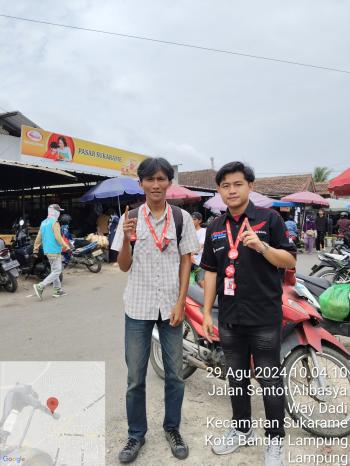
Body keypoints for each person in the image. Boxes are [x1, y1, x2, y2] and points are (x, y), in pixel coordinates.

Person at [200, 162, 296, 466]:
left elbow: (289, 260)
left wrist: (263, 247)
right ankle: (241, 429)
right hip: (229, 317)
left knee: (269, 379)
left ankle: (275, 441)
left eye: (237, 184)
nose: (231, 190)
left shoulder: (270, 220)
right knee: (237, 378)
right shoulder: (215, 226)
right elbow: (212, 274)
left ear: (250, 186)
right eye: (225, 185)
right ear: (219, 191)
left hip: (264, 317)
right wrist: (205, 314)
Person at [112, 157, 199, 464]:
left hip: (171, 307)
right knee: (135, 376)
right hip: (137, 306)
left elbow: (187, 260)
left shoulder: (181, 218)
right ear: (142, 184)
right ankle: (136, 435)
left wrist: (180, 302)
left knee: (175, 374)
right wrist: (125, 238)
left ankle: (172, 428)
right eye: (150, 179)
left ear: (169, 183)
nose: (156, 184)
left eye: (162, 179)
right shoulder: (130, 218)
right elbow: (123, 266)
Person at [33, 204, 70, 299]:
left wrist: (36, 248)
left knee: (54, 270)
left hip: (47, 251)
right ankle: (40, 286)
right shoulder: (55, 223)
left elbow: (39, 237)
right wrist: (66, 246)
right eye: (59, 211)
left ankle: (57, 290)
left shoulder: (44, 222)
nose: (59, 213)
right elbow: (58, 238)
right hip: (54, 250)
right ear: (55, 212)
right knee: (57, 270)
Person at [191, 212, 206, 287]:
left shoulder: (203, 231)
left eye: (194, 219)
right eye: (191, 219)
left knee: (200, 281)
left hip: (199, 261)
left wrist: (191, 254)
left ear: (199, 221)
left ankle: (207, 297)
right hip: (190, 261)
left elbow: (201, 245)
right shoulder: (189, 231)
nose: (192, 221)